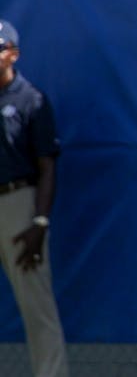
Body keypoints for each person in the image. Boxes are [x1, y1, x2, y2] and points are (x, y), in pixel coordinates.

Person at [0, 20, 67, 377]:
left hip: (17, 205)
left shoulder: (31, 100)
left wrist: (39, 221)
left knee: (37, 307)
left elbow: (47, 166)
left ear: (12, 54)